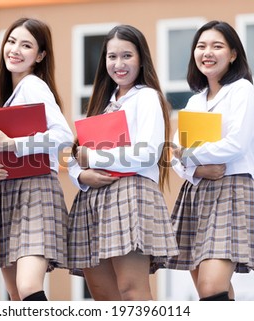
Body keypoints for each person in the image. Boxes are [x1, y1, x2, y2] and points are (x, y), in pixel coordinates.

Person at [67, 24, 179, 301]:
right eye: (112, 56)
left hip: (131, 195)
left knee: (132, 290)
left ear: (141, 59)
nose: (119, 64)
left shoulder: (147, 97)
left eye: (127, 56)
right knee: (104, 296)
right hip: (93, 200)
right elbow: (74, 154)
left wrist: (93, 157)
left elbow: (148, 153)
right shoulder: (101, 103)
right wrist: (81, 176)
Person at [167, 20, 254, 301]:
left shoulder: (242, 90)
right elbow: (174, 155)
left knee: (211, 286)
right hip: (196, 193)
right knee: (210, 289)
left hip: (231, 190)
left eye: (217, 46)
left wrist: (191, 155)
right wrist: (197, 168)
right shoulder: (195, 101)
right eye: (201, 46)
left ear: (233, 54)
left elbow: (235, 144)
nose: (207, 52)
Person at [0, 17, 73, 301]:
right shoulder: (11, 94)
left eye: (26, 45)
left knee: (29, 287)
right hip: (9, 192)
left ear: (40, 56)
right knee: (16, 295)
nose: (15, 49)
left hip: (35, 191)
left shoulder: (33, 85)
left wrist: (12, 144)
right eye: (11, 41)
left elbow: (64, 135)